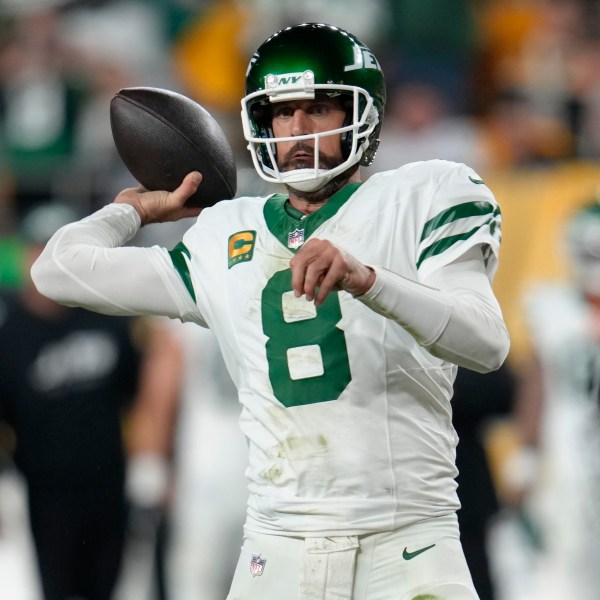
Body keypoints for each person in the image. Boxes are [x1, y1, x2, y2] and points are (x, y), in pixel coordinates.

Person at [30, 22, 510, 600]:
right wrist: (132, 213)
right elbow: (56, 271)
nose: (299, 130)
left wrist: (368, 280)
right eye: (283, 113)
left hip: (405, 541)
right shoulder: (226, 233)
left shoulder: (425, 193)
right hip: (276, 547)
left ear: (364, 115)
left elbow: (486, 343)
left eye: (319, 108)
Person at [0, 201, 143, 600]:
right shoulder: (9, 331)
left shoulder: (106, 310)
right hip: (45, 494)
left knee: (111, 587)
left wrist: (150, 461)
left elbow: (140, 390)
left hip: (110, 483)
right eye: (38, 248)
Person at [502, 201, 600, 600]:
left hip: (575, 449)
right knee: (562, 573)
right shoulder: (554, 308)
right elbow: (537, 385)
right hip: (568, 457)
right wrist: (526, 459)